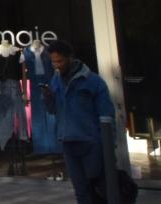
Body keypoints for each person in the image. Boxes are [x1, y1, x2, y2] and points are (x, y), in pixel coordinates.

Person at [44, 39, 114, 204]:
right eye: (53, 61)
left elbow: (106, 115)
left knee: (96, 189)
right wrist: (47, 98)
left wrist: (109, 146)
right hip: (68, 141)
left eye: (59, 61)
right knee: (80, 191)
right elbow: (53, 110)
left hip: (90, 142)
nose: (56, 65)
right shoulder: (56, 80)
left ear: (70, 58)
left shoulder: (93, 81)